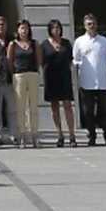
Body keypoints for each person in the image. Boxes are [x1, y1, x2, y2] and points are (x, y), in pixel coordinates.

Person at [73, 14, 106, 147]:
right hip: (86, 81)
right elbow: (76, 59)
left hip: (102, 81)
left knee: (105, 111)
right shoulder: (79, 41)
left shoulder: (104, 41)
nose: (91, 26)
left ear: (96, 25)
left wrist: (101, 69)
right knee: (88, 112)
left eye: (93, 23)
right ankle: (92, 136)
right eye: (89, 24)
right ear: (85, 26)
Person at [6, 20, 43, 148]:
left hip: (32, 74)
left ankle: (34, 135)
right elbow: (9, 61)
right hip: (19, 75)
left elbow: (39, 60)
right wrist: (14, 72)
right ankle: (22, 135)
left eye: (26, 28)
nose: (24, 31)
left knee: (33, 107)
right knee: (20, 107)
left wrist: (35, 71)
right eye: (22, 28)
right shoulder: (13, 44)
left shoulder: (34, 43)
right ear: (18, 30)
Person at [42, 19, 77, 147]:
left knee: (67, 105)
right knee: (54, 106)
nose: (56, 30)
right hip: (51, 77)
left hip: (64, 77)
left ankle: (72, 135)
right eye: (53, 28)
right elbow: (42, 62)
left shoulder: (66, 43)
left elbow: (71, 59)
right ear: (49, 30)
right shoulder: (44, 44)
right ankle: (60, 134)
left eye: (58, 27)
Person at [0, 17, 17, 145]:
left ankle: (14, 135)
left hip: (10, 79)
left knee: (12, 109)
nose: (0, 27)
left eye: (3, 24)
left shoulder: (13, 41)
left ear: (6, 26)